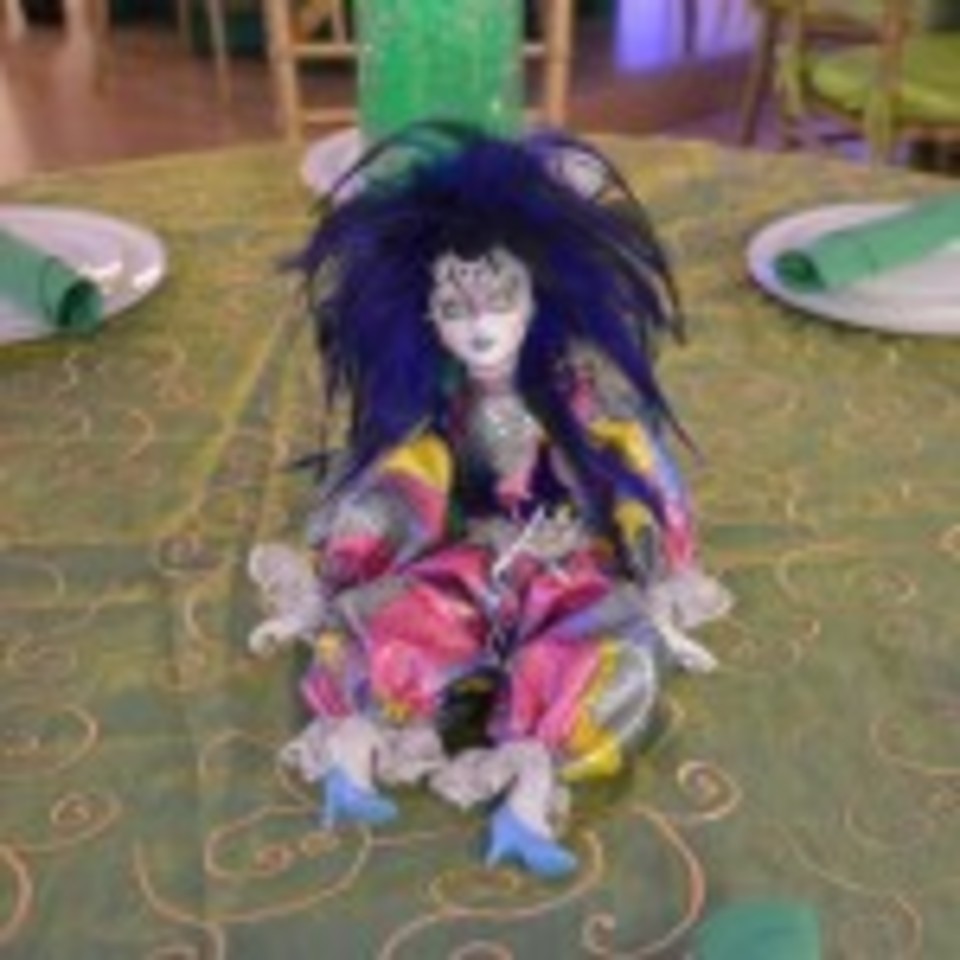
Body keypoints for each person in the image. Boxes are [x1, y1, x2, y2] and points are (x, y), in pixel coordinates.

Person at [248, 123, 730, 879]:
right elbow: (398, 487)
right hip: (472, 556)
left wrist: (660, 565)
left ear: (537, 300)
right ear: (426, 317)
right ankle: (354, 749)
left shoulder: (576, 400)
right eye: (453, 305)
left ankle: (529, 793)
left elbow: (634, 471)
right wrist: (346, 559)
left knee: (599, 648)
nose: (479, 323)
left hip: (565, 565)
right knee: (396, 620)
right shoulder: (438, 413)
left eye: (499, 298)